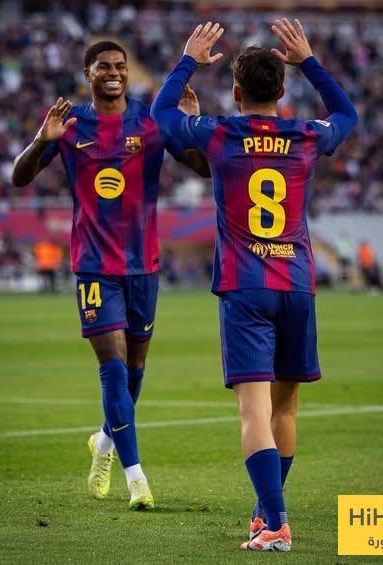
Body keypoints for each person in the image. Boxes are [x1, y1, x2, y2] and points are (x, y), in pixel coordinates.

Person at [151, 19, 357, 550]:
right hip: (298, 284)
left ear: (236, 92)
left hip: (246, 287)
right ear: (283, 91)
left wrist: (188, 59)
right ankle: (267, 512)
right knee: (285, 409)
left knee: (253, 412)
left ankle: (276, 523)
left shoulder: (219, 133)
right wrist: (310, 61)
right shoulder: (306, 134)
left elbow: (160, 115)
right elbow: (347, 114)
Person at [12, 41, 209, 510]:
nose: (115, 72)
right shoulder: (69, 123)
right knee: (114, 370)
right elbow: (20, 177)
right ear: (88, 73)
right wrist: (41, 139)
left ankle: (103, 442)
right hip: (95, 267)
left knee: (135, 372)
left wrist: (193, 127)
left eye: (121, 66)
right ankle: (135, 478)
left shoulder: (152, 120)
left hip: (144, 266)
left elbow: (202, 169)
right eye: (104, 66)